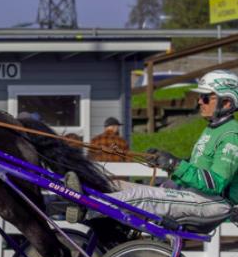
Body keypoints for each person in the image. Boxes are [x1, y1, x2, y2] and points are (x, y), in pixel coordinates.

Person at [66, 70, 238, 228]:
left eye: (206, 97)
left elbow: (215, 183)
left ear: (226, 103)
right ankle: (75, 195)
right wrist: (168, 166)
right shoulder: (213, 129)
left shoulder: (231, 134)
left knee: (141, 195)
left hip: (213, 202)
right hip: (194, 195)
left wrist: (175, 164)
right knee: (116, 185)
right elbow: (197, 170)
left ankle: (87, 208)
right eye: (200, 96)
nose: (200, 101)